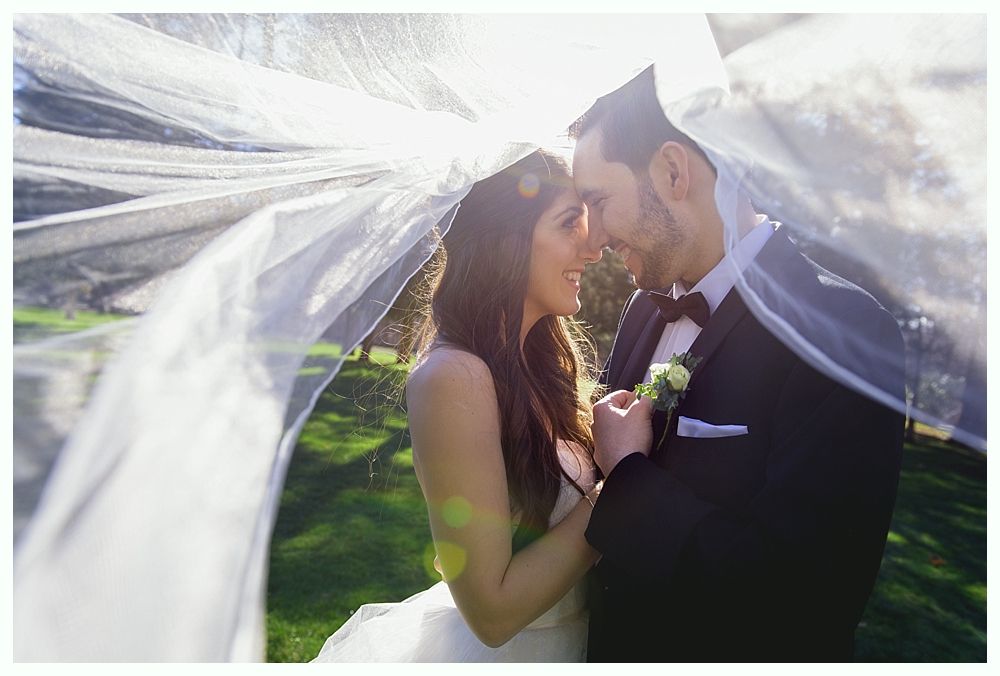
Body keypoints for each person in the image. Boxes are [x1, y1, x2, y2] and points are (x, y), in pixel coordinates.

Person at [571, 66, 905, 661]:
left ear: (673, 171)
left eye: (598, 201)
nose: (591, 236)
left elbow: (805, 602)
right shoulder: (641, 314)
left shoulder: (842, 331)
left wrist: (628, 475)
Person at [312, 149, 604, 662]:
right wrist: (620, 491)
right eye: (568, 224)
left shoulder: (538, 370)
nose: (593, 248)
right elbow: (492, 614)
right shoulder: (454, 376)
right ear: (504, 241)